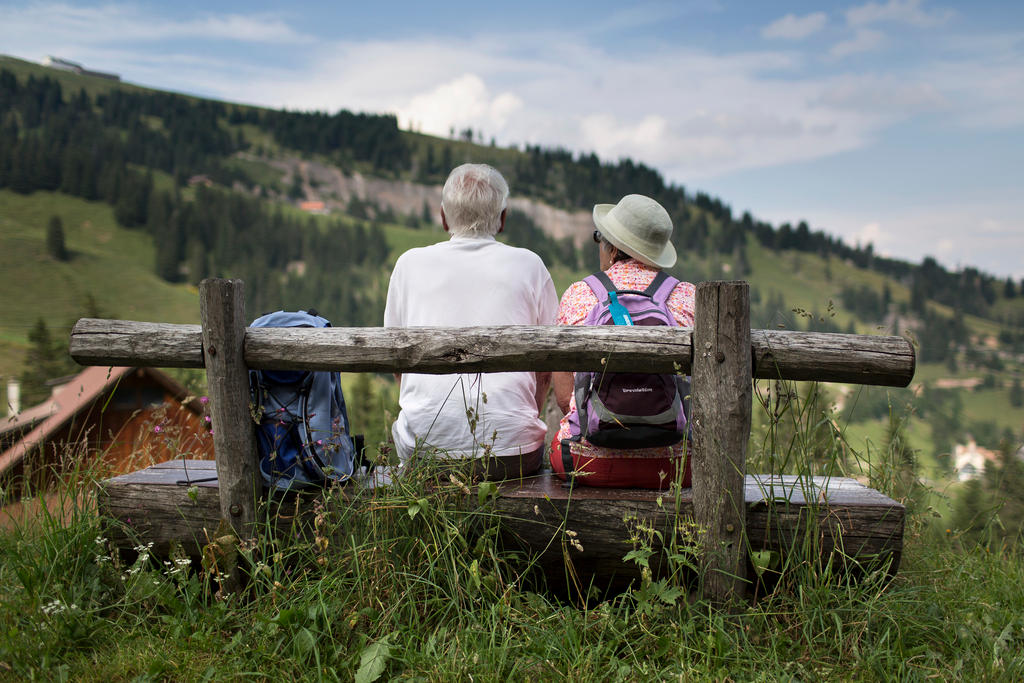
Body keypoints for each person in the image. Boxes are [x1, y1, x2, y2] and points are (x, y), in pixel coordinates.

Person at [384, 163, 558, 479]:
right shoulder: (530, 265)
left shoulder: (408, 265)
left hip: (425, 449)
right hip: (511, 452)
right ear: (503, 218)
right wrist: (517, 419)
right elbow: (547, 366)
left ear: (443, 216)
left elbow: (397, 361)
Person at [551, 194, 696, 488]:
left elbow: (565, 397)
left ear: (613, 247)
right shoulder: (688, 297)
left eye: (598, 238)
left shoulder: (580, 295)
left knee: (559, 442)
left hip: (587, 460)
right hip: (677, 464)